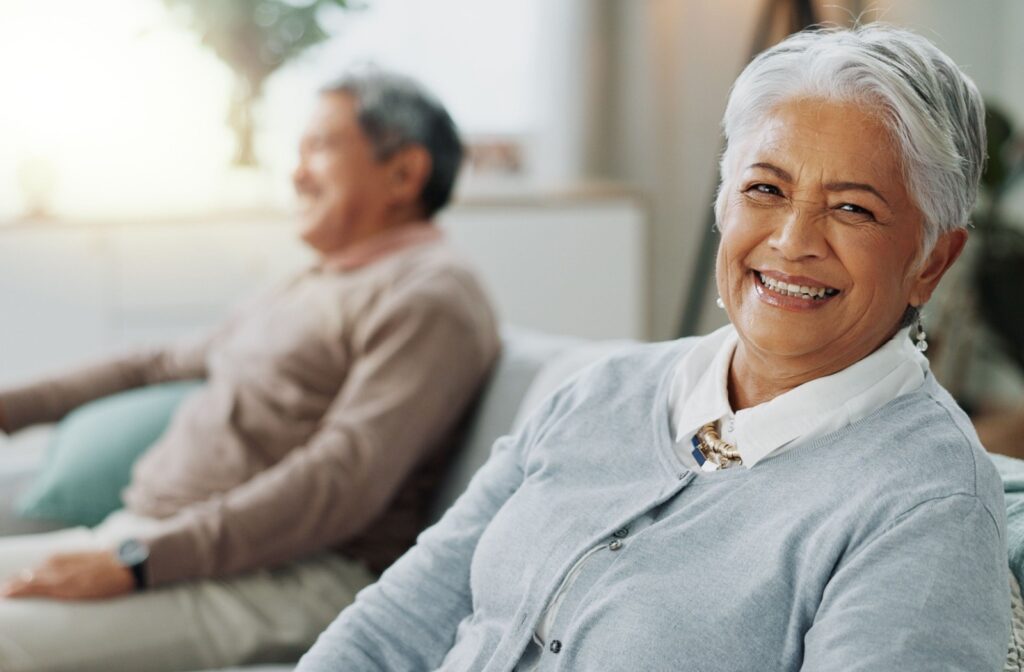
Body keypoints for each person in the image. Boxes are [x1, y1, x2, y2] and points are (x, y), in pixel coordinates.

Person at [296, 24, 1012, 671]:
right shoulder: (597, 391)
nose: (793, 242)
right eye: (765, 189)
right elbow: (395, 627)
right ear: (722, 203)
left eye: (853, 209)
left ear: (932, 261)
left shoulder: (927, 503)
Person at [0, 69, 499, 671]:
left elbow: (340, 479)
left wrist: (138, 563)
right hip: (161, 544)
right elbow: (155, 364)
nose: (296, 173)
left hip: (287, 574)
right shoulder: (315, 280)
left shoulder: (431, 296)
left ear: (404, 172)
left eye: (319, 147)